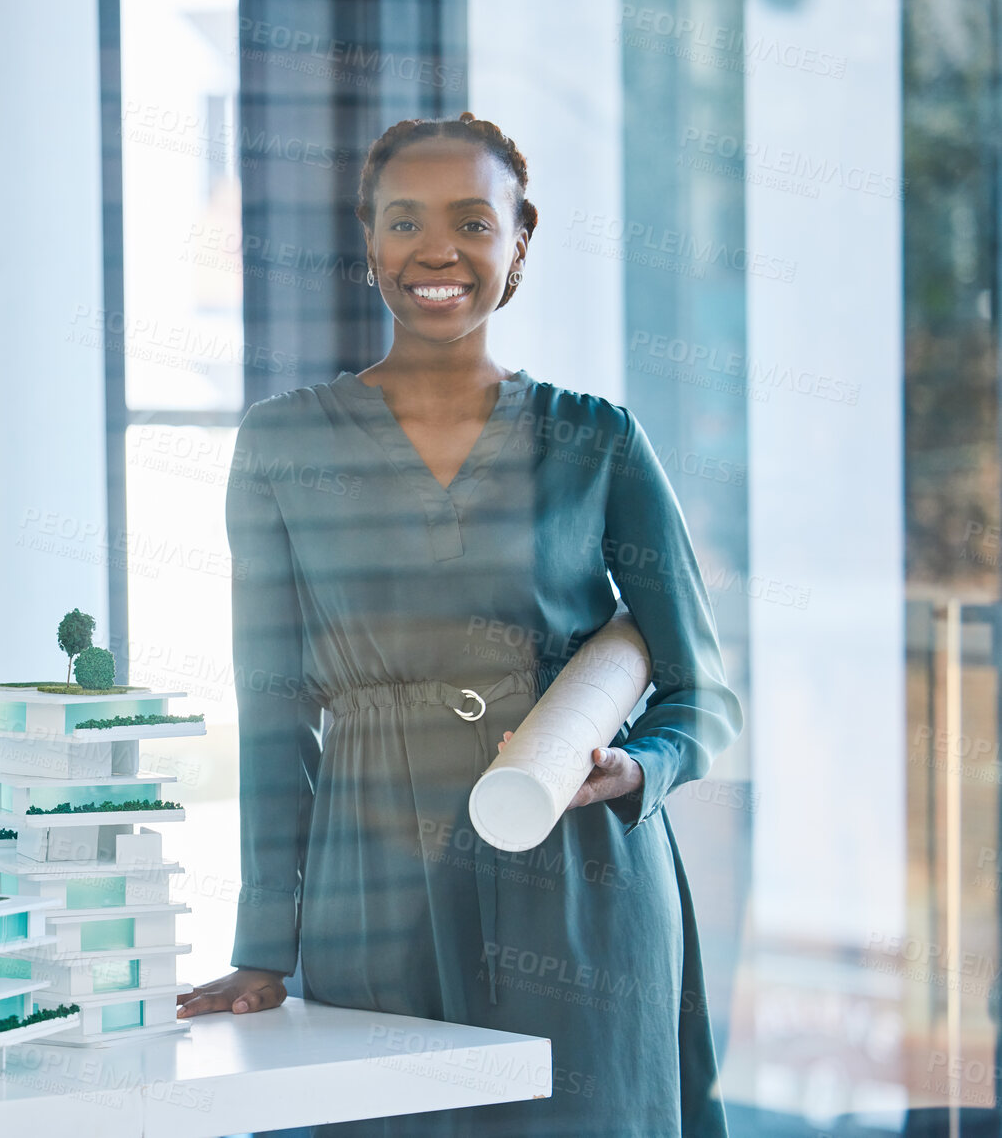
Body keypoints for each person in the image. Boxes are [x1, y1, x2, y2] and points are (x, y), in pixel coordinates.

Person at [175, 113, 743, 1137]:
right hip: (371, 892)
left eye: (473, 222)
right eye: (406, 220)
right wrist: (265, 944)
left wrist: (635, 769)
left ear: (518, 241)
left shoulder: (597, 441)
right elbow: (272, 713)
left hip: (577, 884)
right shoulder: (281, 446)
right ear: (370, 239)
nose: (438, 250)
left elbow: (704, 693)